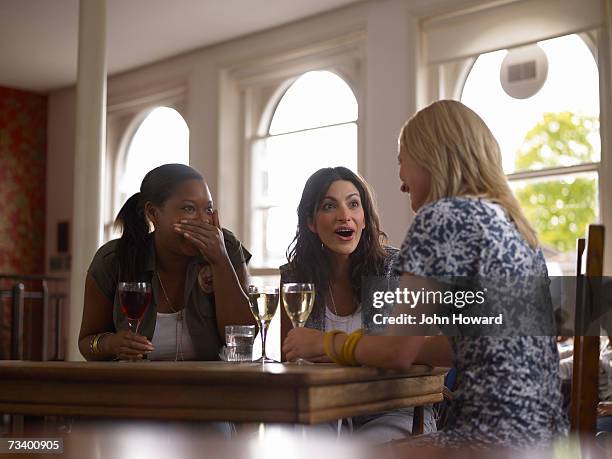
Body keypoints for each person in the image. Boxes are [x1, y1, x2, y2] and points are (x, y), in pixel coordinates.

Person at [283, 100, 568, 449]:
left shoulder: (442, 218)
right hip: (546, 439)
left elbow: (397, 353)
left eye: (402, 161)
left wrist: (326, 343)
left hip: (487, 441)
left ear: (430, 158)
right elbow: (458, 345)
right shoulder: (518, 228)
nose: (401, 182)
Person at [280, 166, 436, 443]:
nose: (345, 215)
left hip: (393, 407)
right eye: (329, 206)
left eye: (354, 204)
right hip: (323, 407)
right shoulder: (295, 278)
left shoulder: (396, 268)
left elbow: (403, 352)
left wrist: (325, 345)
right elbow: (293, 354)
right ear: (311, 222)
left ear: (364, 219)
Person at [79, 163, 254, 361]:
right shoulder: (113, 260)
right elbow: (86, 341)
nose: (203, 221)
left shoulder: (226, 247)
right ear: (153, 213)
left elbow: (244, 339)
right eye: (189, 208)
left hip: (208, 387)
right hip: (136, 387)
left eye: (208, 209)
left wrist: (220, 261)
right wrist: (111, 344)